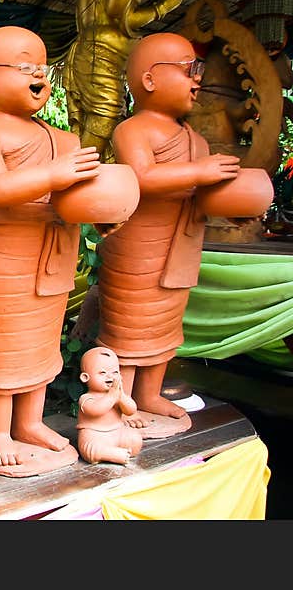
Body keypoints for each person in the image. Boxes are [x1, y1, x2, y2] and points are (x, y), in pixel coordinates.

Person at [0, 25, 99, 475]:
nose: (39, 75)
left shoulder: (66, 140)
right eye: (24, 67)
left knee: (40, 346)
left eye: (42, 67)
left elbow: (80, 197)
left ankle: (31, 422)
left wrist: (106, 209)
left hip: (52, 256)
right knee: (0, 347)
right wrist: (56, 175)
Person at [96, 32, 240, 437]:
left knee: (165, 328)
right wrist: (200, 172)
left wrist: (231, 209)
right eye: (189, 69)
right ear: (149, 80)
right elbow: (142, 176)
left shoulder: (194, 140)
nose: (198, 80)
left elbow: (202, 192)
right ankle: (116, 398)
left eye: (200, 70)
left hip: (180, 246)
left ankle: (151, 393)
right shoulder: (133, 130)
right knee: (128, 328)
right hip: (138, 248)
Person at [59, 0, 185, 162]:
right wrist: (160, 6)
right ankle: (75, 173)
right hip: (100, 54)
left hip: (104, 55)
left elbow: (121, 15)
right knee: (105, 117)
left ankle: (94, 172)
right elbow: (118, 11)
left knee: (111, 120)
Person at [76, 347, 142, 465]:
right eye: (103, 373)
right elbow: (96, 410)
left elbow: (131, 410)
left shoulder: (117, 395)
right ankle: (112, 454)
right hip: (95, 435)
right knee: (90, 448)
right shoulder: (86, 398)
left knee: (135, 438)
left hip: (118, 431)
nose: (110, 377)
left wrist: (121, 397)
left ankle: (116, 451)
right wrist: (112, 396)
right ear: (85, 377)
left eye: (115, 372)